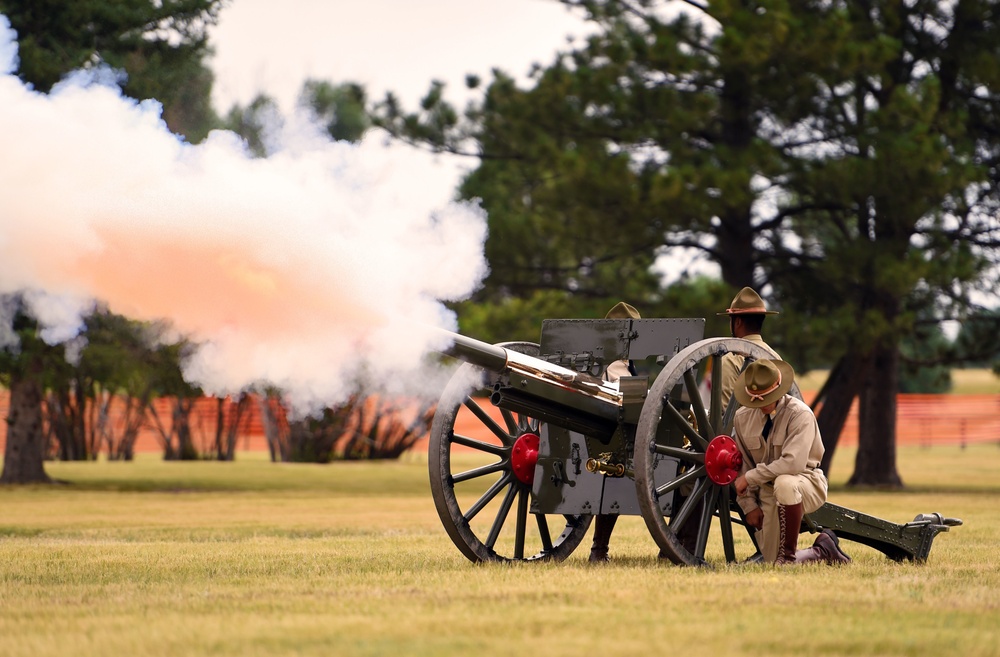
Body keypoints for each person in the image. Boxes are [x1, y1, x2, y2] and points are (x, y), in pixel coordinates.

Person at [732, 359, 852, 565]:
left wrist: (750, 478)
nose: (760, 405)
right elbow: (743, 463)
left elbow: (792, 464)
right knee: (770, 561)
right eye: (755, 400)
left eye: (766, 398)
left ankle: (787, 559)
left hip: (806, 480)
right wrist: (748, 504)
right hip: (768, 490)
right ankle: (823, 550)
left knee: (785, 483)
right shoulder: (741, 418)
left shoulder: (800, 414)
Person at [588, 301, 639, 563]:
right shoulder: (616, 365)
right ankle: (599, 550)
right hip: (615, 441)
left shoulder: (609, 361)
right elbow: (628, 396)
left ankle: (599, 550)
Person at [717, 287, 780, 410]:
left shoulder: (731, 360)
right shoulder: (776, 357)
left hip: (743, 428)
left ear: (738, 322)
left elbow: (723, 415)